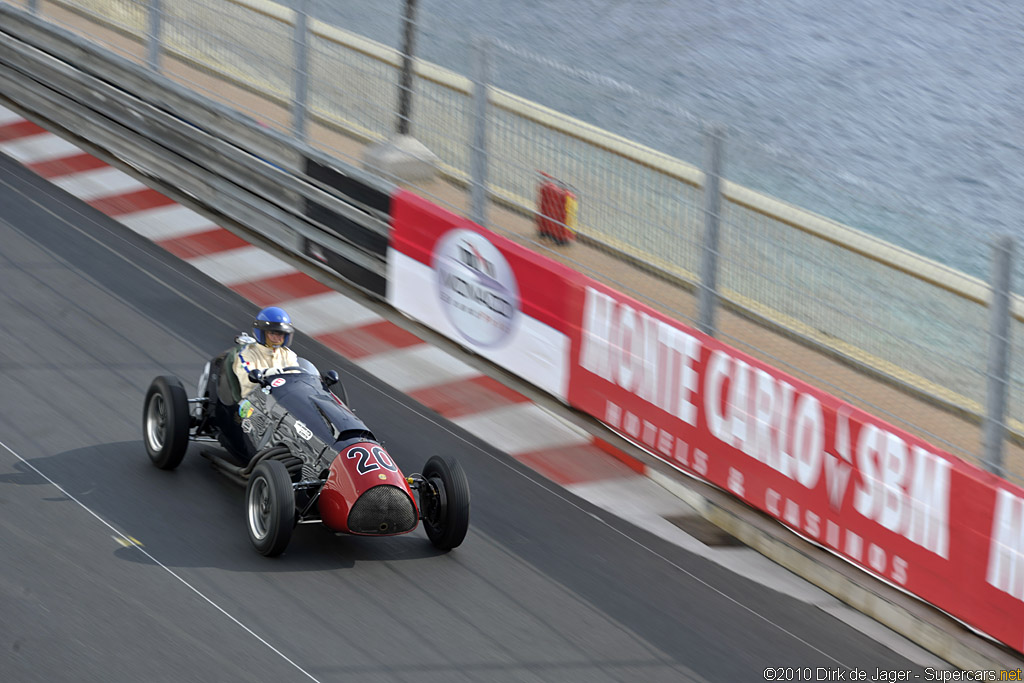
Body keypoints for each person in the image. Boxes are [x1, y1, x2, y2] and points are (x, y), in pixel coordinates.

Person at [232, 306, 299, 399]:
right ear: (262, 333)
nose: (277, 338)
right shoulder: (247, 354)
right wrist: (266, 373)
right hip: (253, 403)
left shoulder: (288, 355)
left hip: (282, 401)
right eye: (272, 333)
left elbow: (297, 378)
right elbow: (246, 379)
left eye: (281, 334)